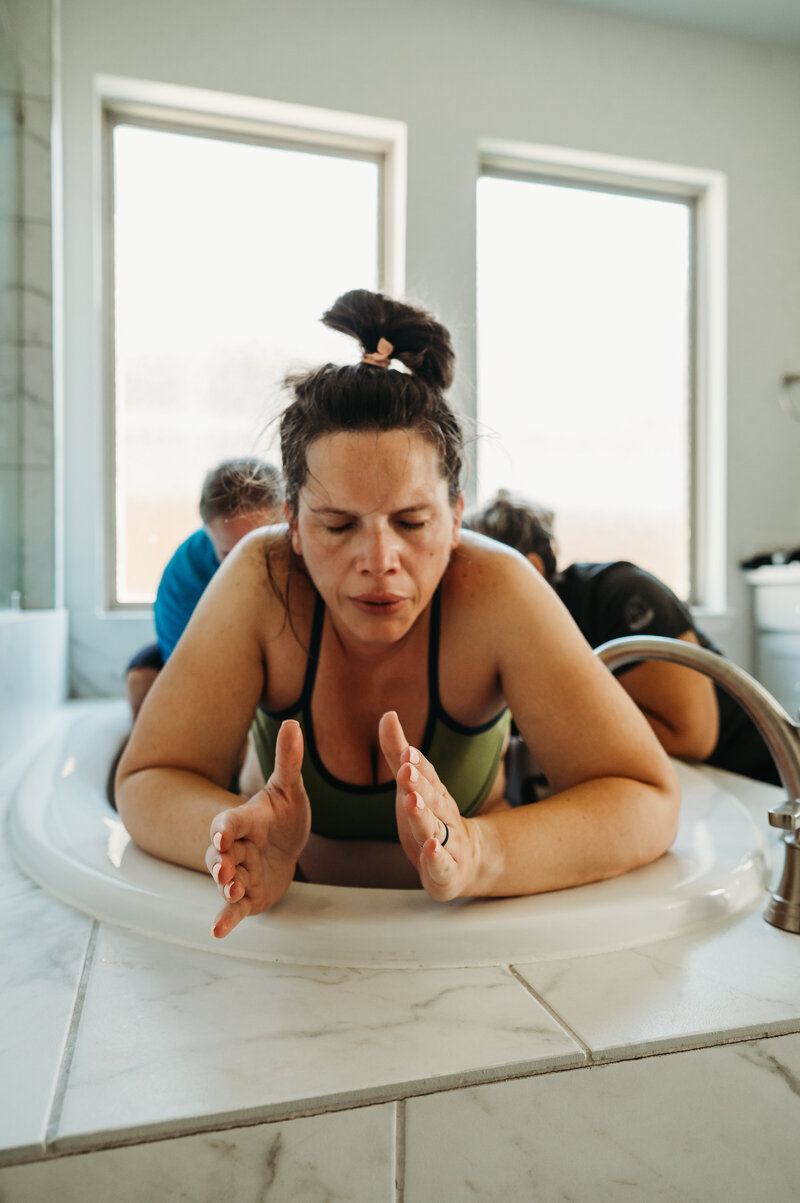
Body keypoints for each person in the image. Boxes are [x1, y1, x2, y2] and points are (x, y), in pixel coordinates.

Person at [115, 289, 680, 940]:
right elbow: (147, 778)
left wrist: (479, 851)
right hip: (292, 936)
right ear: (293, 524)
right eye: (337, 524)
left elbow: (648, 797)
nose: (380, 559)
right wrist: (229, 838)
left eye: (412, 521)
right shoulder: (261, 578)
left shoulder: (494, 586)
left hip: (465, 939)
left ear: (456, 517)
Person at [466, 491, 780, 791]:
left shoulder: (619, 595)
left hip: (758, 779)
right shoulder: (503, 645)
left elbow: (692, 737)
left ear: (531, 568)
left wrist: (546, 721)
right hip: (692, 787)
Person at [123, 458, 284, 721]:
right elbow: (188, 673)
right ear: (207, 530)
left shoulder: (310, 554)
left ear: (286, 520)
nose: (247, 563)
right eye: (230, 553)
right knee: (142, 679)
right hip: (211, 663)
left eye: (260, 547)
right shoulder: (184, 575)